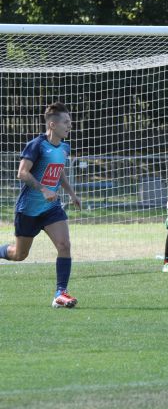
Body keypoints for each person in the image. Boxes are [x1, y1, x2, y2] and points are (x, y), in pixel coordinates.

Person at [0, 102, 82, 308]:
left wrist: (71, 193)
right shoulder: (36, 145)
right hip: (28, 209)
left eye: (70, 122)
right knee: (19, 255)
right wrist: (44, 189)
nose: (69, 126)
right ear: (52, 125)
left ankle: (60, 294)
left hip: (51, 209)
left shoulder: (64, 147)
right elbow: (22, 173)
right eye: (66, 122)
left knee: (64, 245)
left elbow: (59, 170)